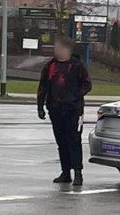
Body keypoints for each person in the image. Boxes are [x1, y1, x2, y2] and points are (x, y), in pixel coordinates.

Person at [37, 35, 92, 186]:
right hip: (55, 109)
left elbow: (87, 84)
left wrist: (75, 95)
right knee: (61, 141)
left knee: (73, 140)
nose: (57, 50)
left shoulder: (76, 66)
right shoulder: (50, 66)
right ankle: (65, 172)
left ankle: (78, 173)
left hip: (73, 110)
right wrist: (40, 106)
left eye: (60, 47)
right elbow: (42, 87)